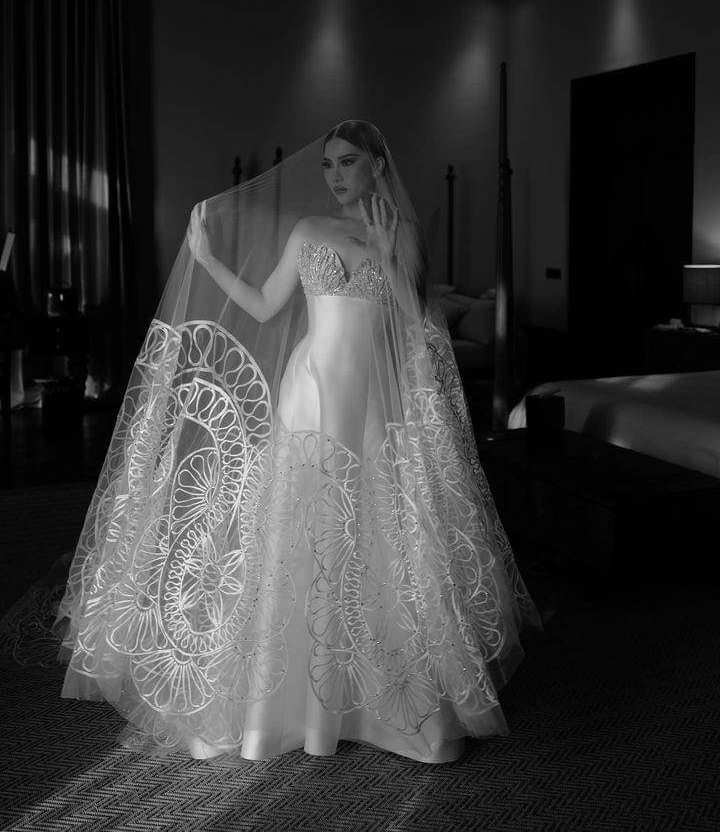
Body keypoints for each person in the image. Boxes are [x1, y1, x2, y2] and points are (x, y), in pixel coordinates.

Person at [21, 120, 544, 763]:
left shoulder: (403, 232)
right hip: (311, 389)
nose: (335, 176)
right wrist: (207, 259)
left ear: (378, 164)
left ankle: (377, 697)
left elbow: (416, 324)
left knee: (375, 525)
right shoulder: (308, 230)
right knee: (302, 525)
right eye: (328, 165)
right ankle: (286, 704)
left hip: (372, 396)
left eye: (348, 162)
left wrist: (388, 254)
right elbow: (267, 305)